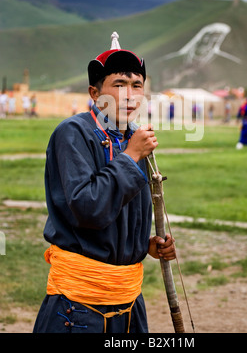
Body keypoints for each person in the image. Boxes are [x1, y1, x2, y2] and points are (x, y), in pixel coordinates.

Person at [33, 32, 176, 334]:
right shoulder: (73, 133)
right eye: (119, 85)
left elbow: (121, 211)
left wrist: (142, 244)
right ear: (95, 93)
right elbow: (88, 208)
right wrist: (131, 155)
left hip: (128, 301)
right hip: (79, 305)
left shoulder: (132, 136)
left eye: (137, 85)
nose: (129, 94)